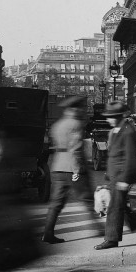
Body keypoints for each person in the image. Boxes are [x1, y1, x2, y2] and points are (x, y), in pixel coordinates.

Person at [94, 101, 136, 249]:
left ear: (117, 116)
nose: (107, 119)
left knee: (114, 207)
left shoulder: (127, 131)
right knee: (120, 206)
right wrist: (108, 176)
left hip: (121, 176)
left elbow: (130, 157)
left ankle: (111, 239)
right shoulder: (116, 130)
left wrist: (125, 179)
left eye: (110, 116)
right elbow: (114, 156)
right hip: (114, 176)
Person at [42, 95, 102, 243]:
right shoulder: (76, 124)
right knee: (87, 198)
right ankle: (98, 229)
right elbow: (75, 149)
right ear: (75, 108)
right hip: (72, 167)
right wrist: (76, 170)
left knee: (56, 203)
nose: (82, 110)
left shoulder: (58, 124)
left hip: (57, 166)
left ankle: (47, 233)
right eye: (81, 107)